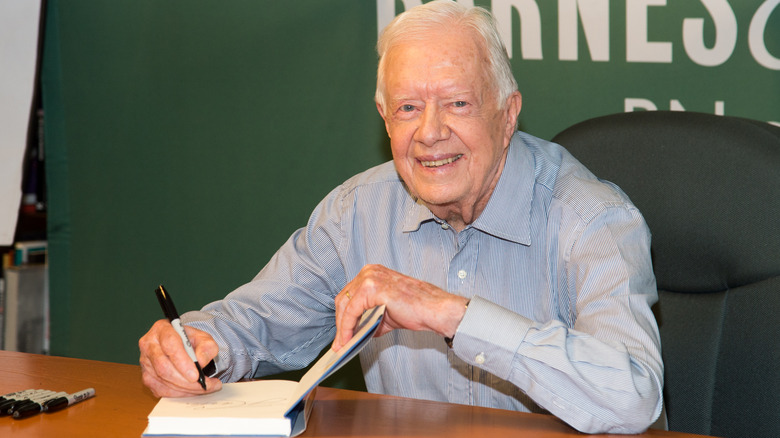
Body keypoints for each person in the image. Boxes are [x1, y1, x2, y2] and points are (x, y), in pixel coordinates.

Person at [138, 1, 663, 434]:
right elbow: (252, 322)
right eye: (408, 108)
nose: (430, 133)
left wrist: (450, 313)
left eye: (456, 103)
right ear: (384, 119)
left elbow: (634, 397)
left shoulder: (591, 217)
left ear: (507, 115)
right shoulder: (358, 211)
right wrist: (197, 345)